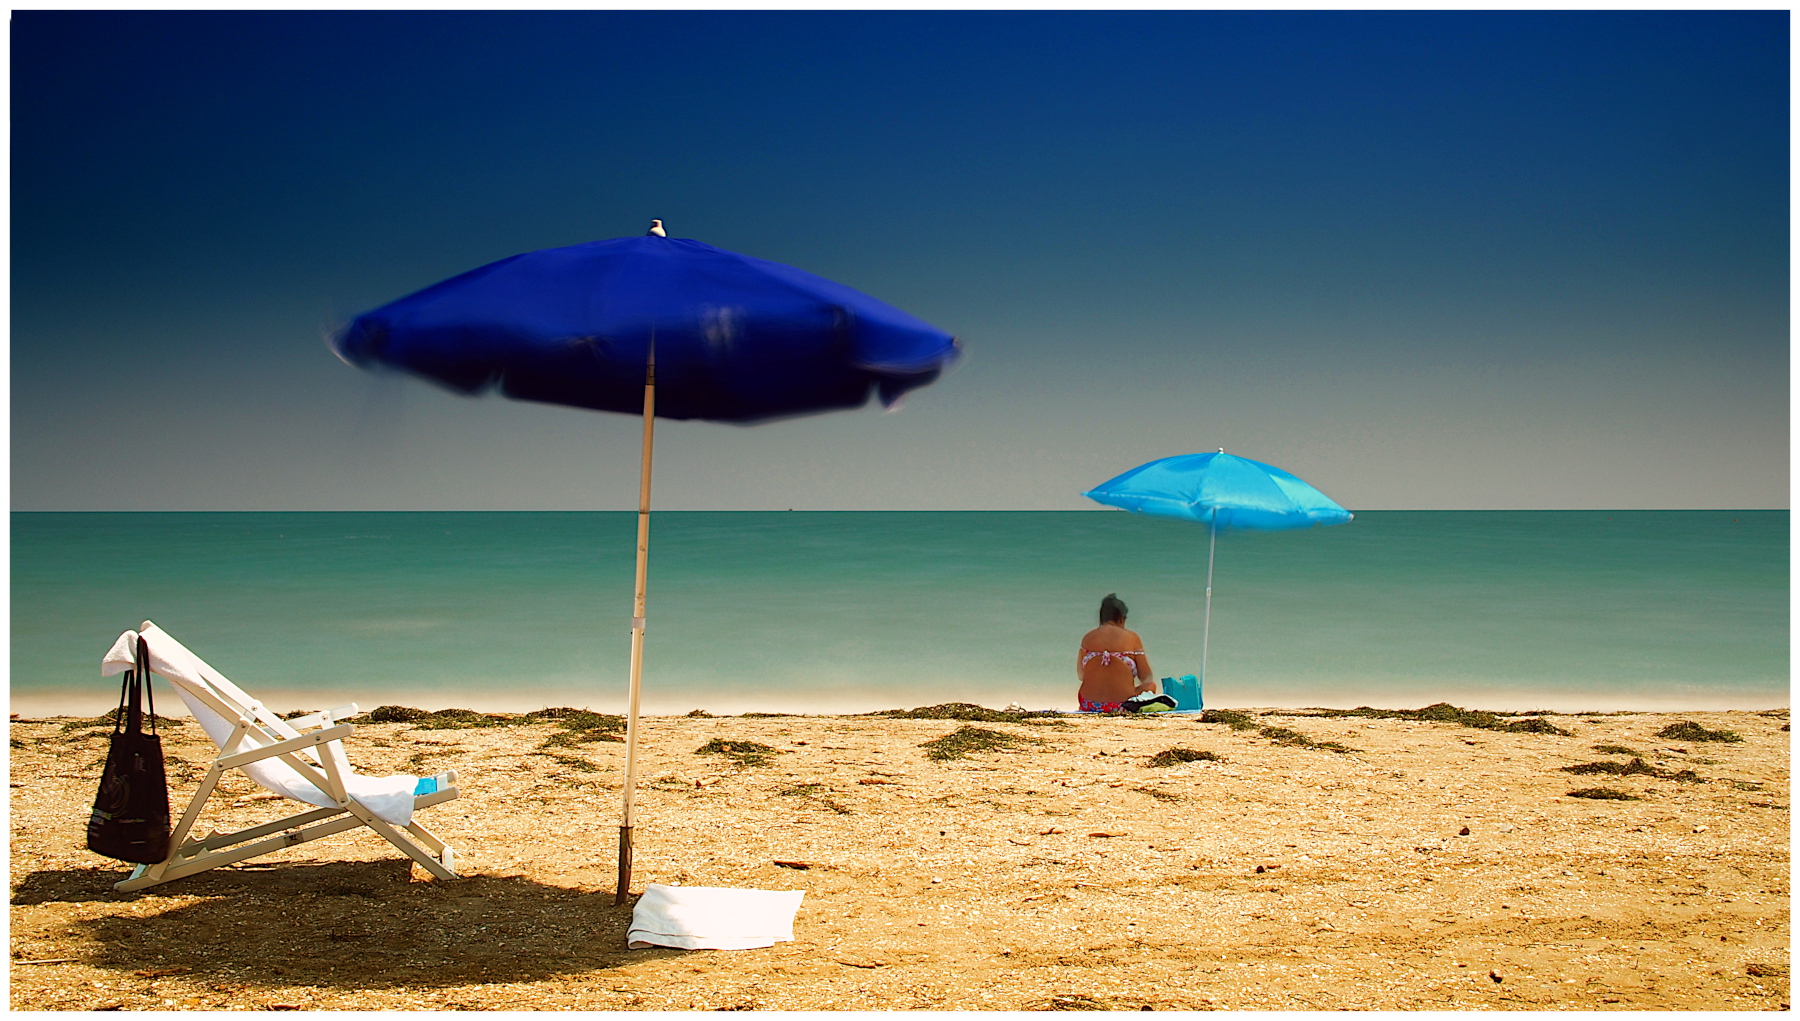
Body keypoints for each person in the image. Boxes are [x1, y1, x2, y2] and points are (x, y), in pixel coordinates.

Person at [1076, 594, 1172, 713]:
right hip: (1123, 705)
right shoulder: (1132, 638)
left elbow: (1081, 675)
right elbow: (1146, 677)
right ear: (1121, 618)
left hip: (1089, 704)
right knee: (1150, 685)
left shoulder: (1087, 638)